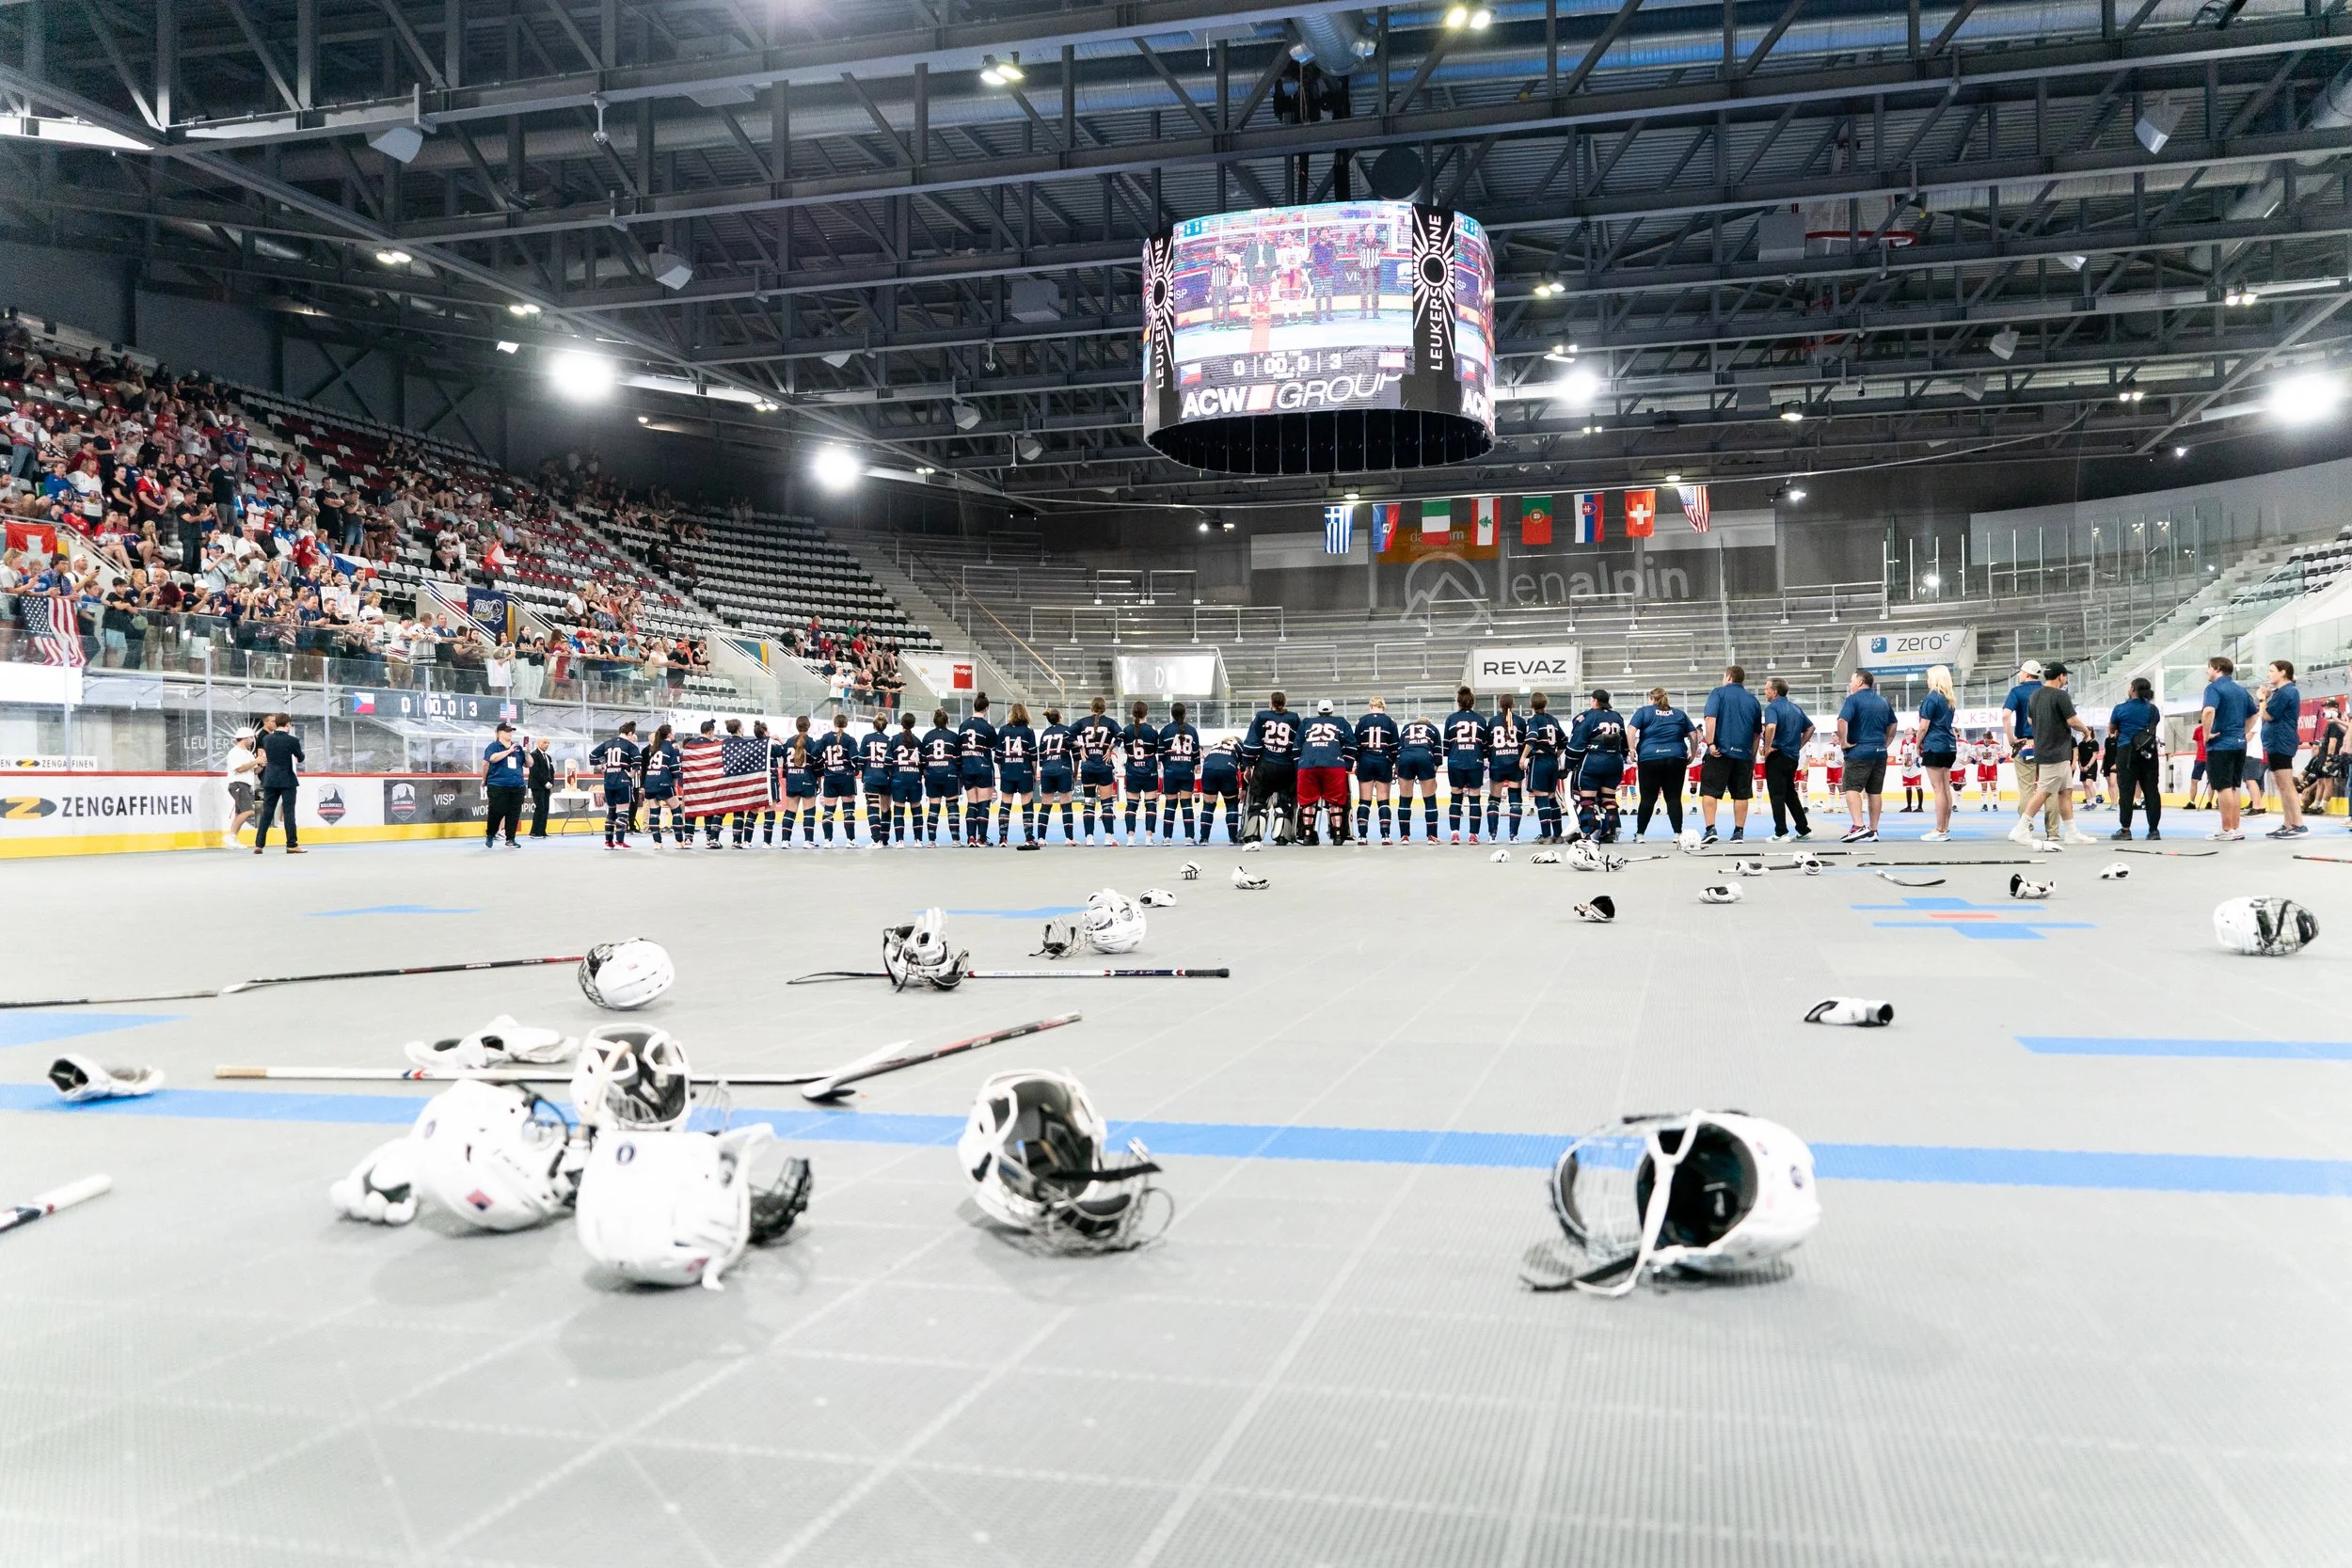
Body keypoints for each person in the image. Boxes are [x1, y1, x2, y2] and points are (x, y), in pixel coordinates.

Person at [2008, 661, 2093, 847]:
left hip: (2046, 748)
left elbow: (2030, 720)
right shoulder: (2060, 695)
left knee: (2065, 791)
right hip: (2056, 750)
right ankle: (2021, 829)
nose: (2066, 680)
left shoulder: (2035, 696)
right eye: (2065, 676)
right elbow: (2073, 720)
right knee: (2043, 792)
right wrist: (2086, 731)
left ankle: (2071, 832)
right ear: (2061, 676)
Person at [1699, 663, 1763, 843]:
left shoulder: (1718, 693)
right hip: (1743, 754)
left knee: (1710, 791)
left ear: (1728, 677)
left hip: (1720, 751)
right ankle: (1738, 832)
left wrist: (1711, 743)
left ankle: (1711, 829)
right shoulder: (1753, 700)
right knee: (1742, 793)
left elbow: (1710, 718)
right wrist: (1752, 756)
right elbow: (1757, 733)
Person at [2001, 657, 2062, 842]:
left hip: (2026, 744)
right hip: (2049, 744)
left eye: (2021, 671)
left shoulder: (2017, 692)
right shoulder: (2050, 691)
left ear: (2027, 673)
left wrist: (2011, 739)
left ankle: (2025, 829)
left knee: (2026, 789)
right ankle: (2053, 832)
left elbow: (2005, 716)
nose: (2019, 674)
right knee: (2050, 789)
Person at [1835, 670, 1897, 844]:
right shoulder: (1883, 701)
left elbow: (1842, 720)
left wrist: (1843, 742)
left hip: (1859, 751)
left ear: (1860, 682)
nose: (1850, 684)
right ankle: (1873, 830)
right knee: (1874, 791)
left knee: (1852, 788)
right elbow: (1893, 723)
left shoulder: (1853, 700)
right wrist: (1886, 743)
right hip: (1879, 751)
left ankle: (1858, 825)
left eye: (1852, 681)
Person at [2200, 655, 2257, 841]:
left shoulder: (2213, 688)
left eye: (2209, 667)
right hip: (2239, 743)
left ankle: (2226, 829)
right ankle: (2235, 827)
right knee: (2234, 787)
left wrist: (2206, 734)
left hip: (2221, 744)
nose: (2207, 671)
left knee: (2223, 786)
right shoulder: (2241, 690)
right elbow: (2254, 714)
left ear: (2217, 668)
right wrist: (2243, 731)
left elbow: (2209, 710)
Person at [1629, 686, 1696, 840]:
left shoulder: (1644, 711)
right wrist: (1692, 753)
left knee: (1648, 798)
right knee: (1674, 797)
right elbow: (1693, 733)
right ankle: (1677, 833)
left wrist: (1632, 749)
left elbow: (1632, 729)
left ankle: (1640, 834)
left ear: (1651, 699)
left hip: (1650, 757)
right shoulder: (1679, 713)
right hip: (1676, 757)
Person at [1565, 688, 1629, 842]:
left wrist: (1568, 765)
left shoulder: (1587, 716)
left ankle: (1588, 832)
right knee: (1609, 798)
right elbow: (1624, 744)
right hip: (1615, 762)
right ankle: (1611, 831)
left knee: (1587, 799)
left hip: (1593, 762)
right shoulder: (1617, 717)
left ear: (1594, 701)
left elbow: (1576, 745)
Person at [1240, 689, 1303, 844]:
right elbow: (1299, 744)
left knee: (1259, 801)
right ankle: (1282, 836)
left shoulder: (1261, 716)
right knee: (1284, 802)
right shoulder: (1294, 718)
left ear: (1271, 703)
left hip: (1265, 766)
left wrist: (1247, 766)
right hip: (1287, 766)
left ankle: (1254, 834)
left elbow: (1251, 744)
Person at [2108, 676, 2165, 841]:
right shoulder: (2153, 710)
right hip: (2148, 752)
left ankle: (2125, 829)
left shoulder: (2120, 709)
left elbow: (2112, 728)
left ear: (2132, 689)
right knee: (2151, 791)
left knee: (2126, 791)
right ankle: (2153, 830)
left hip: (2127, 750)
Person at [2257, 658, 2308, 838]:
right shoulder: (2282, 692)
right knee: (2281, 784)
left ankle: (2298, 824)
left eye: (2272, 671)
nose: (2269, 674)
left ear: (2283, 672)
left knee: (2286, 784)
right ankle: (2288, 823)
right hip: (2276, 742)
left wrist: (2262, 699)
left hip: (2282, 741)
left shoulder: (2287, 692)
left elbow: (2268, 715)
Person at [1297, 698, 1357, 846]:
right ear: (1331, 710)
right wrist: (1347, 765)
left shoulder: (1306, 723)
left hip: (1307, 764)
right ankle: (1338, 835)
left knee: (1308, 801)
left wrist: (1298, 765)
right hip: (1334, 765)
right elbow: (1351, 745)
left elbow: (1296, 746)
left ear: (1318, 710)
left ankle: (1307, 835)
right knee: (1335, 801)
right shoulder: (1341, 722)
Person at [1759, 678, 1813, 842]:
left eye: (1767, 689)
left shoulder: (1772, 708)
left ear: (1775, 692)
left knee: (1776, 795)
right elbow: (1810, 727)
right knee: (1790, 793)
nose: (1765, 691)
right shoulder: (1796, 708)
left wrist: (1767, 747)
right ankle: (1803, 828)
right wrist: (1799, 745)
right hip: (1792, 757)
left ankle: (1781, 832)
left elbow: (1771, 726)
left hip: (1778, 755)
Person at [1915, 664, 1959, 842]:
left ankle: (1939, 829)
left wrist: (1917, 744)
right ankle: (1944, 827)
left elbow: (1923, 726)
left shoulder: (1932, 698)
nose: (1927, 681)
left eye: (1928, 677)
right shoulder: (1949, 699)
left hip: (1935, 745)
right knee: (1946, 788)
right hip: (1949, 745)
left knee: (1938, 789)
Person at [252, 711, 306, 854]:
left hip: (270, 779)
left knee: (267, 812)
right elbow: (300, 757)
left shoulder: (267, 739)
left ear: (276, 724)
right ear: (288, 724)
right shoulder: (292, 740)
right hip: (287, 780)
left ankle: (259, 845)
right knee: (289, 813)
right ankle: (291, 844)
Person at [1441, 686, 1489, 844]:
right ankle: (1473, 835)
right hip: (1475, 761)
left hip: (1456, 761)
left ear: (1458, 702)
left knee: (1456, 797)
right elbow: (1485, 746)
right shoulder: (1480, 720)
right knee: (1475, 798)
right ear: (1472, 702)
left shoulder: (1451, 719)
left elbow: (1446, 746)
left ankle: (1455, 834)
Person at [588, 720, 641, 850]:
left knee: (611, 811)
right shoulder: (630, 745)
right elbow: (638, 760)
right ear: (630, 733)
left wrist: (603, 766)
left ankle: (608, 842)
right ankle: (620, 842)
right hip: (622, 781)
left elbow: (592, 756)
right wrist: (632, 773)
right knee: (623, 812)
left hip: (608, 781)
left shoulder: (607, 743)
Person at [1523, 691, 1568, 843]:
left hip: (1540, 761)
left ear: (1531, 705)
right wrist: (1556, 755)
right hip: (1552, 762)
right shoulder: (1553, 720)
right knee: (1551, 797)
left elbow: (1532, 738)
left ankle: (1546, 835)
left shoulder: (1534, 720)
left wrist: (1523, 757)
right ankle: (1558, 835)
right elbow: (1564, 741)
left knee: (1541, 798)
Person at [1073, 696, 1120, 845]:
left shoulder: (1083, 722)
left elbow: (1067, 735)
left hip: (1087, 766)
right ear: (1104, 708)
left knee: (1089, 802)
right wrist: (1110, 748)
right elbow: (1121, 735)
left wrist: (1081, 746)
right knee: (1106, 803)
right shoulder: (1110, 722)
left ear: (1091, 708)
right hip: (1104, 766)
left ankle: (1089, 838)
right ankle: (1108, 837)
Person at [1394, 706, 1442, 844]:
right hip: (1424, 758)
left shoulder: (1406, 728)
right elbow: (1438, 753)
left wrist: (1398, 767)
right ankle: (1432, 836)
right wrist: (1433, 773)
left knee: (1405, 799)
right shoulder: (1433, 729)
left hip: (1406, 758)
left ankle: (1404, 836)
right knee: (1430, 799)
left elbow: (1399, 749)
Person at [958, 694, 999, 847]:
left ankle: (970, 838)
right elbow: (995, 746)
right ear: (987, 708)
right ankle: (981, 838)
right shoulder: (987, 726)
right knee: (983, 804)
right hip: (983, 767)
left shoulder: (963, 725)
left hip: (967, 767)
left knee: (971, 803)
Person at [1119, 699, 1161, 846]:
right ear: (1146, 713)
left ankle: (1131, 838)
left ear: (1132, 713)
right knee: (1151, 805)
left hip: (1132, 772)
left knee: (1131, 805)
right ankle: (1149, 838)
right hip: (1149, 772)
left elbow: (1125, 749)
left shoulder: (1126, 730)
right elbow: (1156, 749)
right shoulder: (1152, 730)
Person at [1158, 702, 1201, 843]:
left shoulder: (1165, 731)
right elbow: (1196, 754)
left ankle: (1167, 838)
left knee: (1170, 804)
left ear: (1172, 714)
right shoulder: (1192, 731)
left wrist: (1167, 765)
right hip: (1187, 771)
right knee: (1187, 804)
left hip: (1171, 772)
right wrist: (1194, 764)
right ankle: (1189, 837)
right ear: (1185, 714)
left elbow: (1161, 755)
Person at [995, 704, 1038, 846]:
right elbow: (1033, 756)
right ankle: (1029, 837)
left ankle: (1003, 838)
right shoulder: (1028, 731)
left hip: (1008, 771)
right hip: (1024, 771)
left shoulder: (1003, 730)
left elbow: (998, 757)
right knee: (1027, 804)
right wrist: (1034, 773)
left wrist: (1003, 771)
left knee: (1005, 803)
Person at [1486, 693, 1526, 841]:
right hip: (1515, 764)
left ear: (1499, 704)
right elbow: (1524, 743)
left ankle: (1492, 836)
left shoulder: (1493, 721)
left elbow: (1488, 744)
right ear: (1513, 705)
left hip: (1497, 763)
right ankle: (1513, 836)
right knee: (1515, 801)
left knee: (1493, 801)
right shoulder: (1520, 721)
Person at [920, 707, 962, 844]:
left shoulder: (927, 737)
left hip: (932, 775)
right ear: (947, 721)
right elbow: (959, 759)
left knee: (934, 807)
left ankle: (931, 841)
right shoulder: (953, 736)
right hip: (950, 774)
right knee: (952, 806)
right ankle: (956, 840)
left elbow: (923, 760)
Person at [816, 711, 858, 845]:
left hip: (830, 778)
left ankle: (828, 840)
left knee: (828, 810)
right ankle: (850, 840)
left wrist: (824, 763)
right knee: (848, 810)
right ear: (846, 724)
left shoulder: (825, 738)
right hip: (846, 778)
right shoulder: (849, 739)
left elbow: (814, 753)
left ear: (834, 724)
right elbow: (855, 758)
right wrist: (856, 770)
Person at [482, 721, 527, 847]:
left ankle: (510, 838)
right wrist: (509, 751)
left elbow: (529, 764)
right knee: (496, 811)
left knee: (514, 813)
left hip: (517, 785)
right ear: (500, 733)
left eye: (511, 731)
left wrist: (527, 752)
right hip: (498, 785)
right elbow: (491, 759)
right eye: (507, 731)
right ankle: (491, 834)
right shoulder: (493, 746)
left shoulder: (518, 748)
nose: (510, 733)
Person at [1037, 707, 1076, 844]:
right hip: (1063, 769)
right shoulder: (1067, 731)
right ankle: (1069, 838)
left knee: (1045, 804)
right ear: (1060, 717)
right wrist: (1075, 772)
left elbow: (1041, 757)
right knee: (1066, 804)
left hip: (1047, 770)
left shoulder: (1045, 733)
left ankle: (1041, 838)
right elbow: (1076, 755)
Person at [859, 713, 897, 847]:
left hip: (871, 777)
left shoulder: (867, 738)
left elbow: (861, 760)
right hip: (886, 778)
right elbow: (891, 761)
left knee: (873, 807)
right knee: (886, 808)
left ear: (873, 725)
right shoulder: (889, 740)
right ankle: (885, 840)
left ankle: (876, 840)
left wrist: (864, 774)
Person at [639, 724, 680, 844]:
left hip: (650, 782)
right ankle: (679, 841)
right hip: (664, 782)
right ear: (669, 734)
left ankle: (657, 843)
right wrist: (675, 786)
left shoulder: (654, 748)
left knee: (654, 813)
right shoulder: (671, 747)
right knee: (676, 811)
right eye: (672, 732)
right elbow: (675, 770)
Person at [2302, 700, 2345, 816]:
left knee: (2327, 781)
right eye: (2325, 708)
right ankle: (2316, 805)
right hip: (2322, 756)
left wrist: (2329, 759)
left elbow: (2333, 742)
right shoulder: (2330, 724)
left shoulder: (2335, 724)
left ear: (2335, 709)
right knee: (2320, 781)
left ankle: (2322, 806)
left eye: (2328, 708)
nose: (2325, 710)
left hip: (2329, 757)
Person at [1199, 732, 1243, 845]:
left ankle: (1204, 838)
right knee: (1231, 804)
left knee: (1208, 805)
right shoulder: (1239, 745)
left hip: (1208, 769)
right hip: (1227, 769)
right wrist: (1244, 788)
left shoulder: (1217, 744)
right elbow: (1244, 768)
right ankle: (1233, 838)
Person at [221, 726, 260, 848]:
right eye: (251, 738)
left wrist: (262, 764)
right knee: (248, 811)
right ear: (245, 738)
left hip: (245, 785)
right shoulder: (235, 752)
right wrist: (256, 761)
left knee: (239, 813)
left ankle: (232, 839)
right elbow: (239, 769)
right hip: (238, 784)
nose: (253, 740)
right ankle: (230, 836)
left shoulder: (248, 753)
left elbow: (255, 770)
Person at [890, 712, 926, 843]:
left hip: (898, 779)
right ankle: (918, 840)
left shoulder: (894, 739)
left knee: (899, 809)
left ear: (901, 723)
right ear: (913, 724)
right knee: (916, 808)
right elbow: (923, 763)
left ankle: (899, 841)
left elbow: (888, 761)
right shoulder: (918, 741)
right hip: (915, 779)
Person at [527, 737, 555, 838]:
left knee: (546, 808)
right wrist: (545, 782)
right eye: (544, 742)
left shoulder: (548, 757)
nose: (546, 744)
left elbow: (551, 771)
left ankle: (542, 830)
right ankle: (534, 832)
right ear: (538, 743)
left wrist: (551, 782)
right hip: (537, 786)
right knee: (540, 807)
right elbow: (535, 771)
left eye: (548, 743)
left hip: (547, 786)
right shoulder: (534, 755)